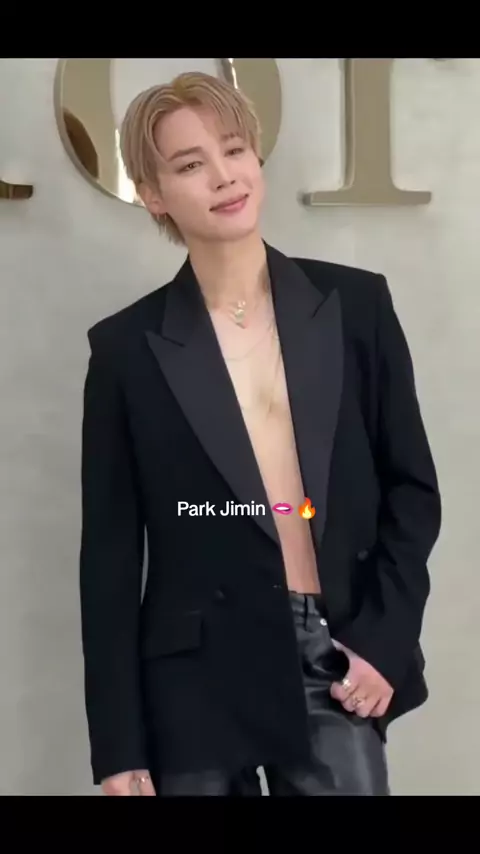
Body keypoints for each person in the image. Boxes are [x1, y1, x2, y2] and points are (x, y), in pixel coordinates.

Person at [79, 70, 441, 796]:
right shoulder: (125, 350)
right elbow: (111, 559)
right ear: (153, 194)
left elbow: (412, 491)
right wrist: (118, 745)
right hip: (191, 680)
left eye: (235, 150)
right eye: (190, 164)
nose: (224, 176)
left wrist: (383, 641)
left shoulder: (356, 305)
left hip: (330, 653)